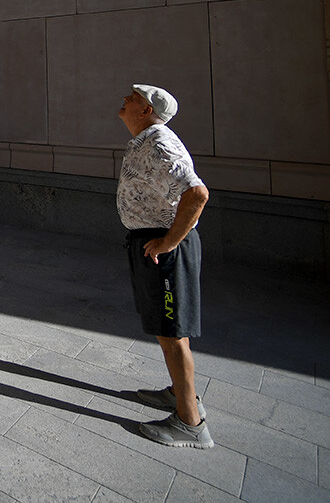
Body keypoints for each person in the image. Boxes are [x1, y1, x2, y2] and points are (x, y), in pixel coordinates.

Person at [116, 84, 214, 449]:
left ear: (146, 110)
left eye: (133, 98)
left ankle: (190, 423)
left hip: (164, 248)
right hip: (152, 243)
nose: (124, 99)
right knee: (165, 328)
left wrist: (169, 242)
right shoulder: (146, 140)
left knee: (173, 332)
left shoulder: (160, 143)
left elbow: (197, 193)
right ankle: (178, 393)